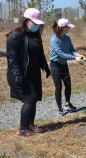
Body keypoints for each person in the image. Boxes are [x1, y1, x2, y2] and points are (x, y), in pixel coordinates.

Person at [6, 8, 51, 137]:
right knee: (29, 99)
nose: (37, 25)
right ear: (26, 20)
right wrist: (18, 75)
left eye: (38, 23)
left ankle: (30, 124)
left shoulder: (35, 35)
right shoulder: (15, 36)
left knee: (34, 98)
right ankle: (22, 129)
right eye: (34, 22)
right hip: (20, 74)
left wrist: (45, 67)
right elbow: (12, 57)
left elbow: (39, 53)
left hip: (33, 73)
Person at [50, 18, 85, 116]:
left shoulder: (67, 38)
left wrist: (79, 55)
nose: (69, 29)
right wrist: (74, 58)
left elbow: (72, 50)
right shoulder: (54, 39)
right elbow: (60, 54)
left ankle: (67, 103)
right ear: (63, 27)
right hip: (55, 65)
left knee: (68, 85)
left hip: (63, 65)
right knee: (58, 87)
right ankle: (60, 108)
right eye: (68, 27)